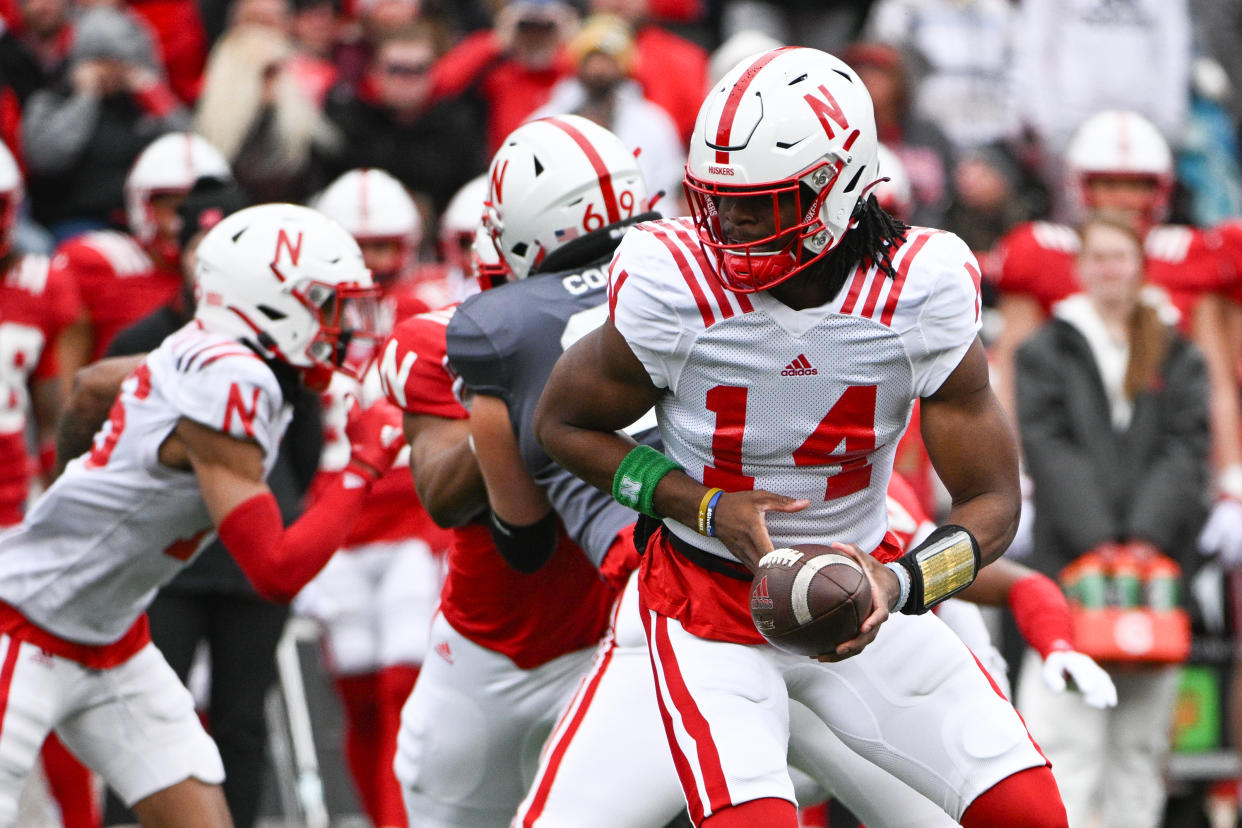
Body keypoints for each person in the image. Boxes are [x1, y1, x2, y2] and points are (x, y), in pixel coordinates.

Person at [533, 47, 1065, 827]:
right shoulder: (673, 282)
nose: (732, 223)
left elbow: (992, 503)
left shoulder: (919, 290)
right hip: (706, 608)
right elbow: (562, 425)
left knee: (1032, 815)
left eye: (762, 203)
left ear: (842, 186)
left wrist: (900, 584)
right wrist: (707, 506)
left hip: (864, 591)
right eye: (717, 201)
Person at [0, 202, 403, 826]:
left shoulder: (210, 347)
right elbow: (275, 570)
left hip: (112, 636)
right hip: (23, 627)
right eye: (326, 303)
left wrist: (74, 489)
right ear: (272, 304)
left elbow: (94, 386)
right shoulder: (232, 381)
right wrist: (364, 468)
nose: (343, 325)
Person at [376, 120, 625, 826]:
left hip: (622, 635)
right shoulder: (446, 337)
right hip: (493, 654)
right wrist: (510, 394)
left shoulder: (662, 307)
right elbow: (442, 497)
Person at [95, 178, 316, 828]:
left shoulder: (285, 343)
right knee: (139, 720)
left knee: (242, 724)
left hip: (250, 563)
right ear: (180, 252)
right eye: (198, 244)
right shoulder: (144, 338)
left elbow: (301, 451)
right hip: (162, 567)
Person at [1014, 212, 1209, 828]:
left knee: (1141, 747)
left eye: (1119, 257)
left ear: (1141, 267)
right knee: (1065, 742)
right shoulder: (1048, 349)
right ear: (1079, 268)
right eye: (1097, 257)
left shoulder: (1177, 351)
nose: (1108, 270)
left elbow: (1186, 446)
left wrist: (1145, 541)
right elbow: (1049, 447)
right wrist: (1099, 543)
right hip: (1069, 570)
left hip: (1155, 581)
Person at [990, 110, 1242, 560]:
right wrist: (1013, 480)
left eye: (1137, 184)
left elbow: (1217, 384)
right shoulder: (1042, 253)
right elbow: (1008, 374)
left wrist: (1232, 479)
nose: (1124, 198)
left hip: (1162, 481)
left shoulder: (1190, 255)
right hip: (1065, 481)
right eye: (1109, 183)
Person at [301, 166, 449, 828]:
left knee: (403, 688)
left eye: (382, 248)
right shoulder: (296, 316)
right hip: (337, 526)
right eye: (357, 250)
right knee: (359, 696)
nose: (371, 268)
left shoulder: (427, 306)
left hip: (412, 525)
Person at [51, 132, 231, 380]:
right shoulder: (99, 261)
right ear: (140, 204)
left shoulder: (239, 270)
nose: (179, 223)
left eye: (196, 208)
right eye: (172, 207)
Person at [21, 5, 191, 240]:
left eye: (118, 63)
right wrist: (84, 97)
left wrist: (152, 93)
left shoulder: (144, 106)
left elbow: (189, 148)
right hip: (78, 220)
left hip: (146, 220)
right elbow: (47, 159)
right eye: (101, 62)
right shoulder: (52, 101)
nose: (111, 72)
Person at [194, 23, 338, 203]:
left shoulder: (300, 135)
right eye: (269, 71)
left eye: (281, 70)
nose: (278, 80)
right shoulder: (209, 144)